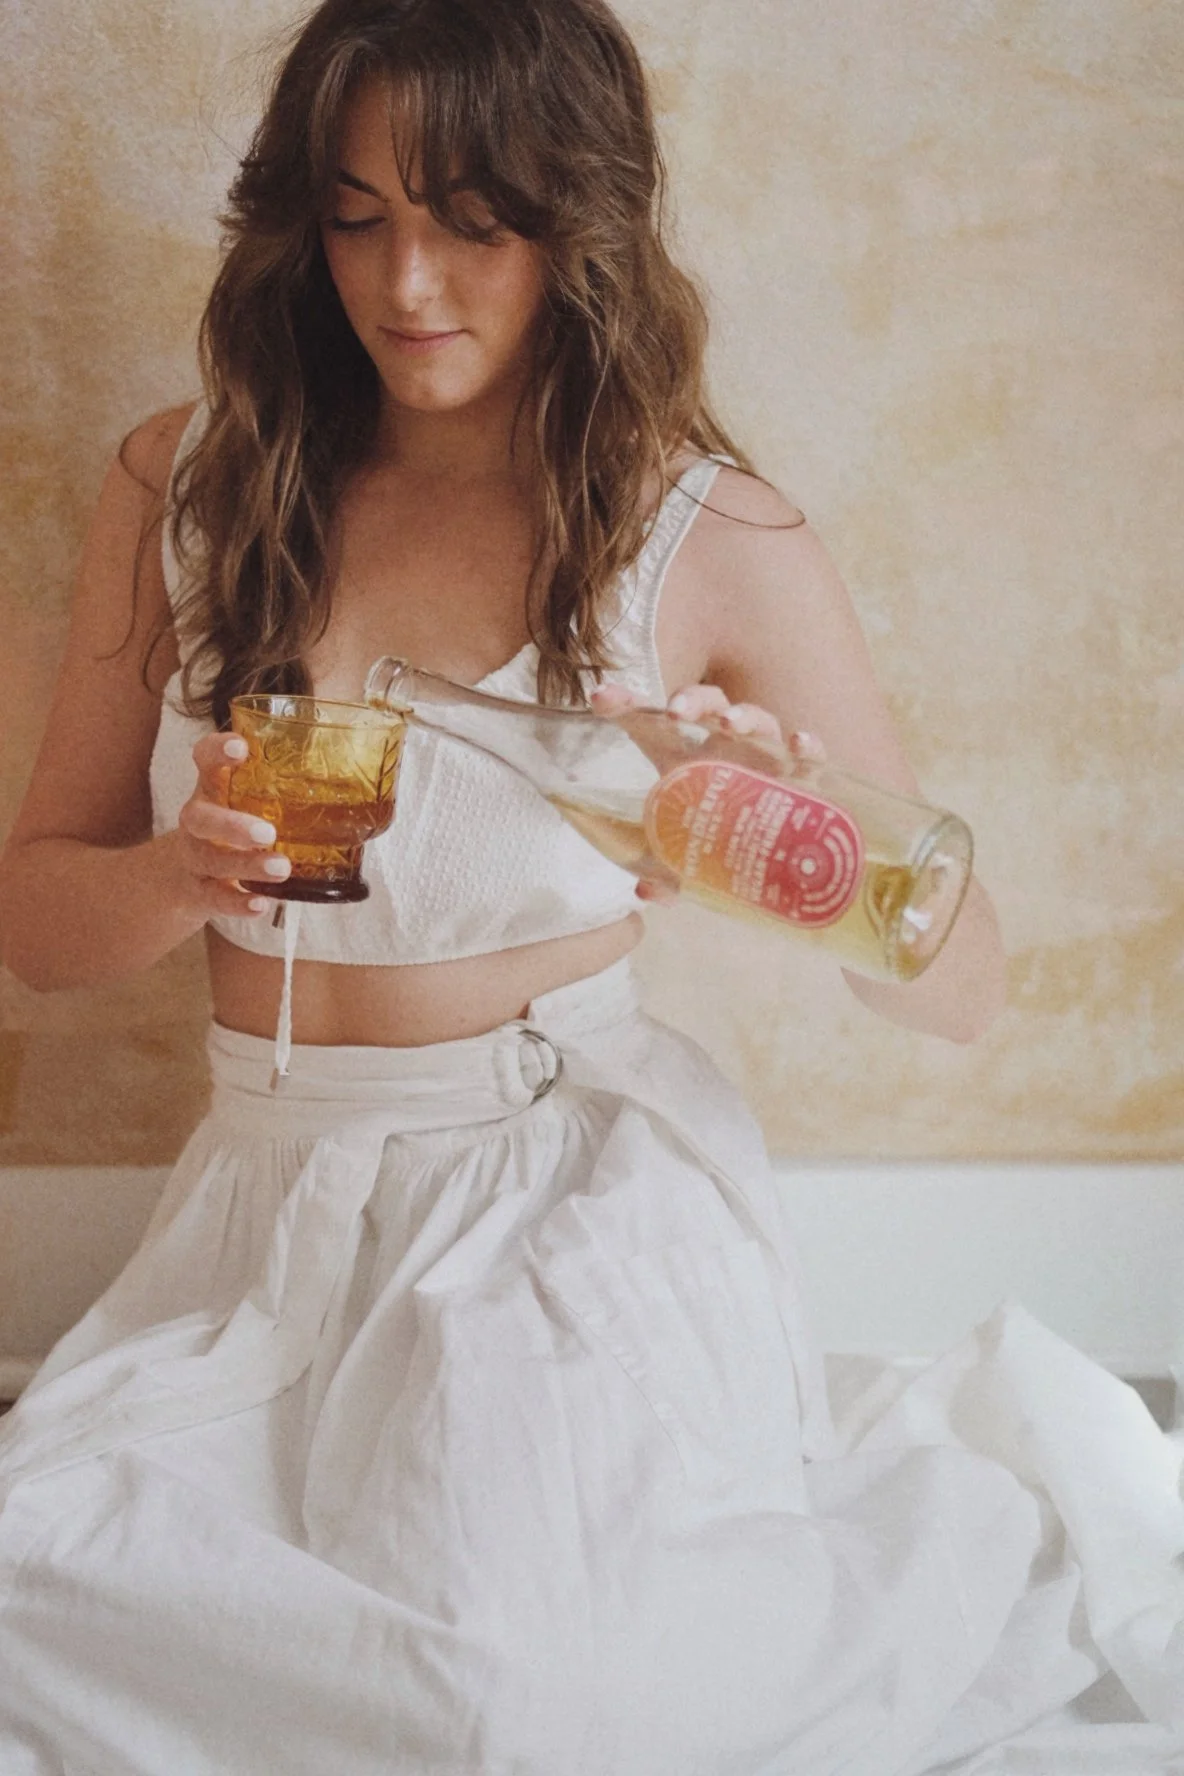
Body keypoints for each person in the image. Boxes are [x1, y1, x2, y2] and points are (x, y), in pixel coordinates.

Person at [0, 2, 1180, 1771]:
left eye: (476, 221)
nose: (408, 283)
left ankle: (958, 1545)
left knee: (508, 1706)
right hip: (267, 1195)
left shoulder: (700, 530)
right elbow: (36, 922)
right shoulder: (190, 486)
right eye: (358, 214)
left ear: (582, 224)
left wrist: (809, 848)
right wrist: (183, 874)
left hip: (557, 1206)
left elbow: (969, 984)